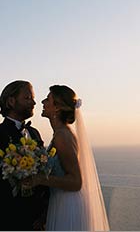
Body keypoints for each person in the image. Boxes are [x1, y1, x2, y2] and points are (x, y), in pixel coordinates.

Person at [24, 85, 109, 231]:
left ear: (57, 108)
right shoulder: (61, 134)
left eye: (48, 99)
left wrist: (39, 179)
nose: (43, 102)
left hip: (67, 206)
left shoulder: (62, 136)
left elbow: (76, 182)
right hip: (60, 202)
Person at [0, 80, 49, 230]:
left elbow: (44, 168)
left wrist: (44, 212)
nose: (33, 102)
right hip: (9, 218)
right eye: (27, 98)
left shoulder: (34, 133)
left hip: (37, 219)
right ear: (11, 101)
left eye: (32, 98)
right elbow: (0, 178)